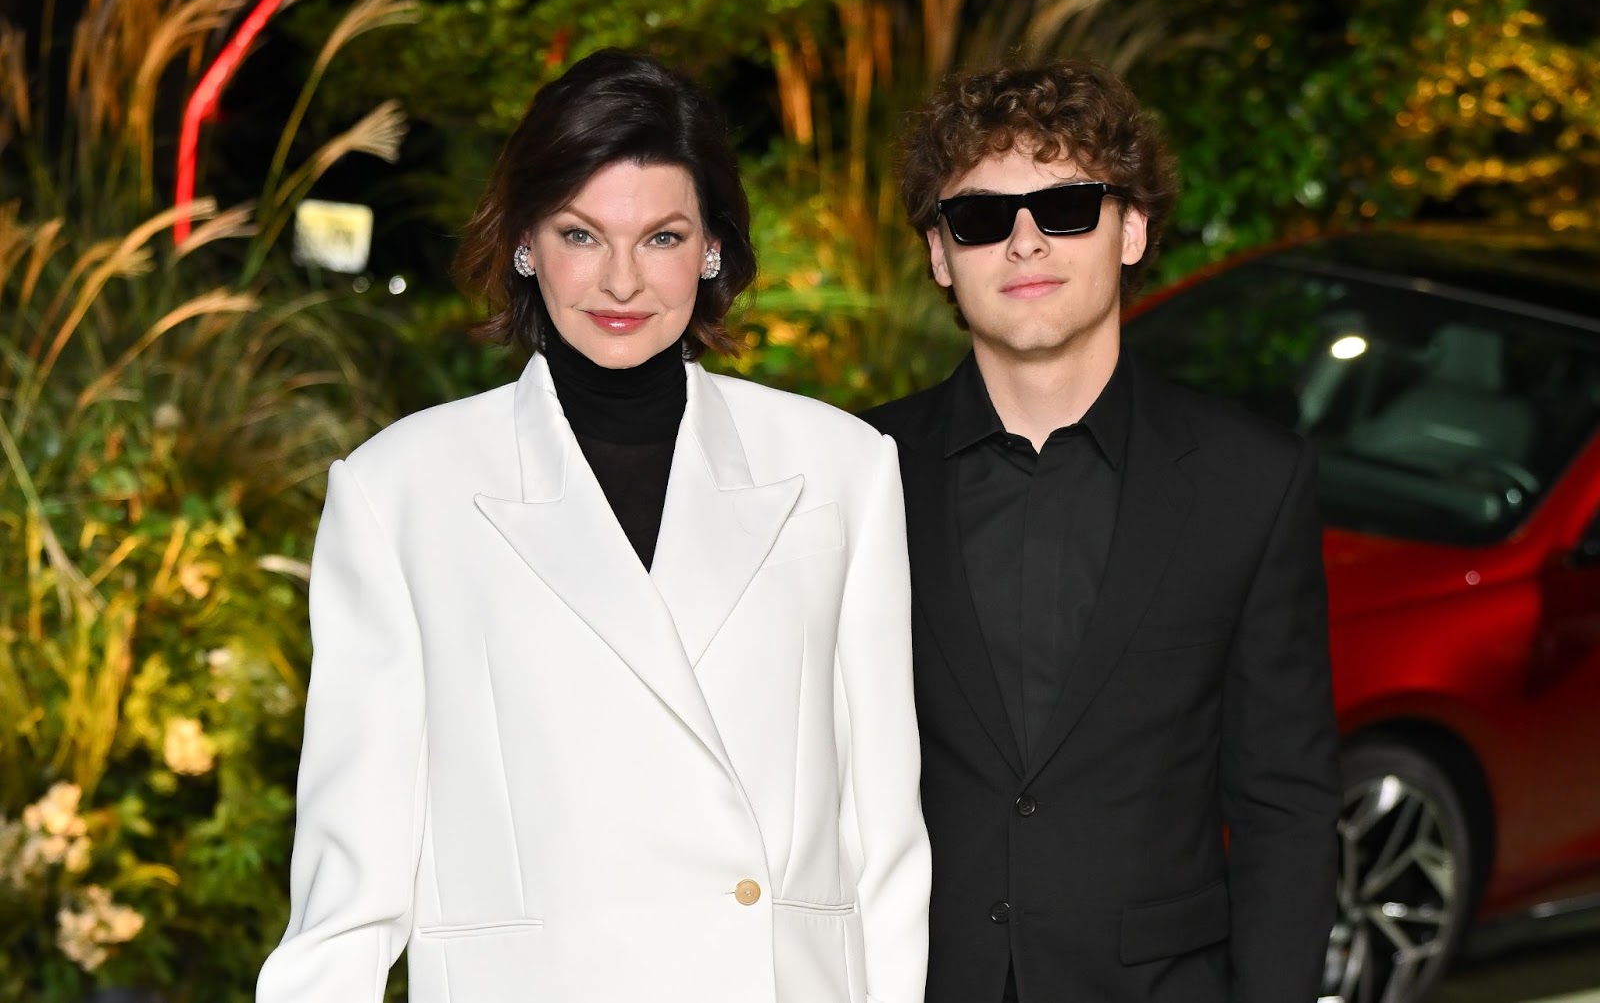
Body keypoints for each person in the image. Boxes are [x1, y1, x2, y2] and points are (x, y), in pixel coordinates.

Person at [258, 49, 930, 1003]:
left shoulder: (840, 469)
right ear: (527, 242)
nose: (621, 280)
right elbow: (348, 888)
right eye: (582, 234)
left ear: (711, 249)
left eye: (661, 238)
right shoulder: (400, 492)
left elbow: (884, 842)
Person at [861, 60, 1340, 1003]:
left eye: (1068, 206)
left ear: (1132, 228)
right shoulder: (857, 471)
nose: (1027, 243)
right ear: (938, 254)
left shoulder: (1252, 482)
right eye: (982, 217)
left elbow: (1286, 800)